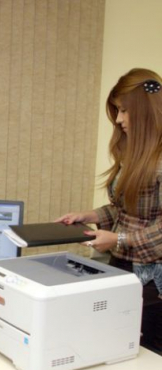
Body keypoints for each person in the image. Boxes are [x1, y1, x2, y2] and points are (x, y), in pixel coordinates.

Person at [57, 68, 162, 353]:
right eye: (117, 111)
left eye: (125, 111)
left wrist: (118, 239)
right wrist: (89, 216)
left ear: (146, 110)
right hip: (122, 267)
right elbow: (127, 210)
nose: (118, 120)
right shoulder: (135, 154)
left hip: (154, 283)